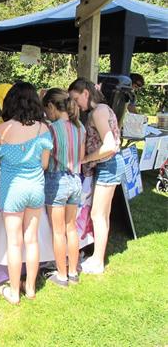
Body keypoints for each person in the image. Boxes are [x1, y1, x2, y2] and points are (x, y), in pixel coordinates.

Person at [0, 82, 53, 305]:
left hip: (12, 189)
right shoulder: (43, 129)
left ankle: (14, 292)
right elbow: (44, 164)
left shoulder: (2, 129)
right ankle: (31, 288)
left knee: (14, 243)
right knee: (32, 240)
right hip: (35, 188)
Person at [68, 78, 125, 274]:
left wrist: (86, 159)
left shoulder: (98, 112)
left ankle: (98, 261)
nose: (76, 104)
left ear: (86, 93)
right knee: (102, 215)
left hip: (108, 166)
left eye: (76, 99)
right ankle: (97, 256)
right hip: (109, 166)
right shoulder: (101, 109)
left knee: (98, 215)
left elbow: (109, 145)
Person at [42, 88, 86, 287]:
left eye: (47, 110)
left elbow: (44, 158)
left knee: (58, 232)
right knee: (71, 229)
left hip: (56, 180)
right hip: (76, 180)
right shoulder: (80, 128)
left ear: (51, 106)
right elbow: (82, 156)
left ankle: (61, 275)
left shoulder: (51, 129)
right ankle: (73, 272)